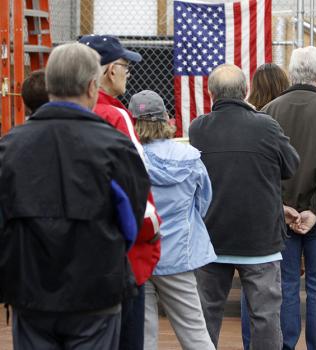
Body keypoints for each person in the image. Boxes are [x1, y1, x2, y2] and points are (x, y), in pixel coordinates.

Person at [0, 42, 151, 349]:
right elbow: (132, 225)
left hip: (31, 291)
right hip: (95, 291)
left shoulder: (10, 147)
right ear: (93, 86)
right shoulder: (115, 146)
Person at [189, 64, 300, 349]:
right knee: (265, 316)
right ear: (245, 91)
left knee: (206, 314)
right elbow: (291, 165)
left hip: (213, 236)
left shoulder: (198, 128)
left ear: (212, 93)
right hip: (260, 237)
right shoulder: (265, 125)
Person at [262, 46, 316, 350]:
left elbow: (265, 168)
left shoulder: (270, 112)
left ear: (290, 73)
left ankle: (285, 345)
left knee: (285, 285)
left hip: (281, 213)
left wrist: (281, 205)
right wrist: (315, 210)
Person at [78, 34, 162, 350]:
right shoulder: (115, 115)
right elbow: (139, 189)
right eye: (125, 66)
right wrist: (152, 237)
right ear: (111, 70)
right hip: (120, 258)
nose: (128, 73)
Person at [129, 90, 216, 350]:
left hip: (139, 253)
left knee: (142, 335)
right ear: (167, 118)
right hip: (179, 253)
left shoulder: (130, 157)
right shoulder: (190, 157)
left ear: (134, 121)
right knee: (195, 332)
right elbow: (204, 201)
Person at [241, 62, 291, 350]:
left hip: (257, 208)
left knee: (256, 291)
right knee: (277, 289)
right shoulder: (276, 121)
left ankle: (254, 343)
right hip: (284, 207)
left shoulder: (252, 118)